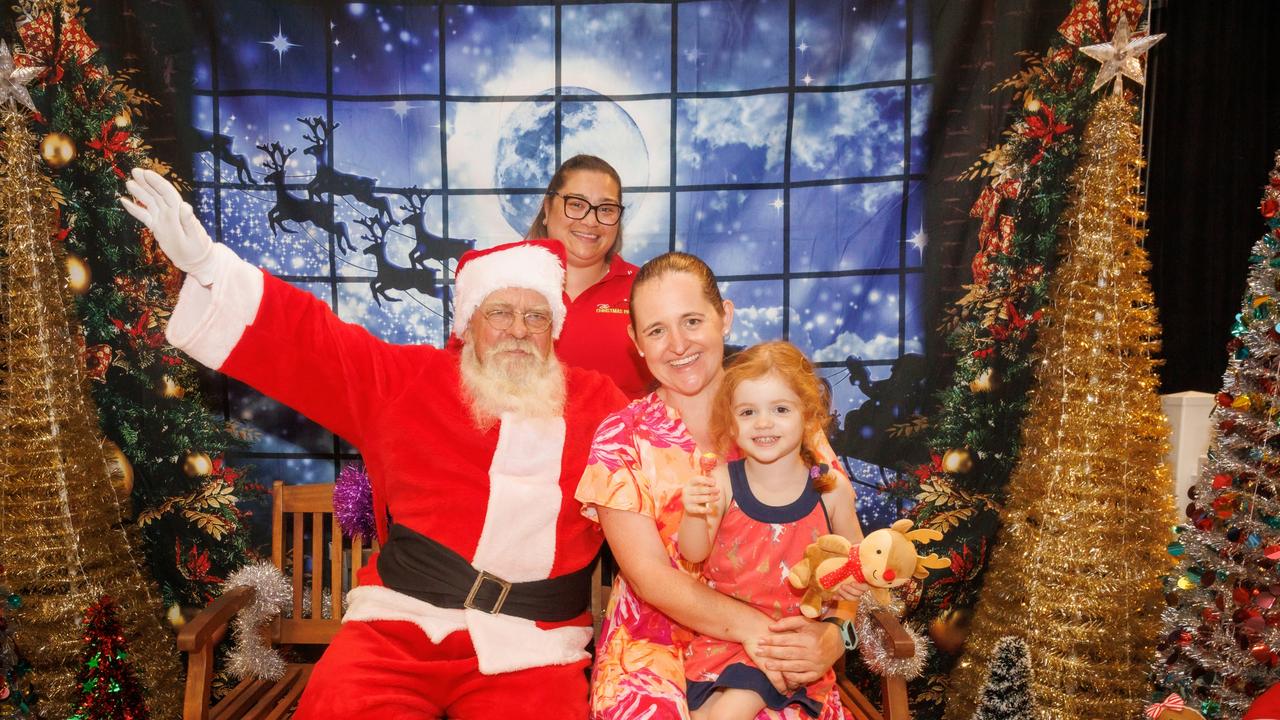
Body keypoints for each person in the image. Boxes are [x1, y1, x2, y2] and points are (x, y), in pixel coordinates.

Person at [119, 169, 627, 717]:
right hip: (399, 626)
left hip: (537, 645)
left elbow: (673, 462)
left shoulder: (602, 405)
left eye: (536, 316)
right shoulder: (410, 381)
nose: (519, 329)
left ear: (554, 329)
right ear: (469, 324)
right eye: (500, 312)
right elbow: (312, 341)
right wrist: (209, 267)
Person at [576, 252, 865, 720]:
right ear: (636, 342)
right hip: (655, 644)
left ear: (724, 317)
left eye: (692, 320)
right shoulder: (622, 438)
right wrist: (754, 629)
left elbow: (844, 547)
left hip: (785, 636)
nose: (677, 344)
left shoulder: (779, 417)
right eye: (656, 330)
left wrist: (835, 635)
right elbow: (650, 577)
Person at [678, 341, 862, 719]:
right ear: (732, 423)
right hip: (727, 637)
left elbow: (858, 565)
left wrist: (847, 583)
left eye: (780, 409)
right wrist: (693, 514)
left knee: (730, 711)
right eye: (748, 412)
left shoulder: (831, 491)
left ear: (809, 417)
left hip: (792, 646)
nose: (763, 423)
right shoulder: (721, 483)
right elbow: (693, 554)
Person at [529, 154, 654, 398]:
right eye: (576, 204)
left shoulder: (647, 290)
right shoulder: (503, 282)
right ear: (547, 208)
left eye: (606, 209)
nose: (590, 220)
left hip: (624, 436)